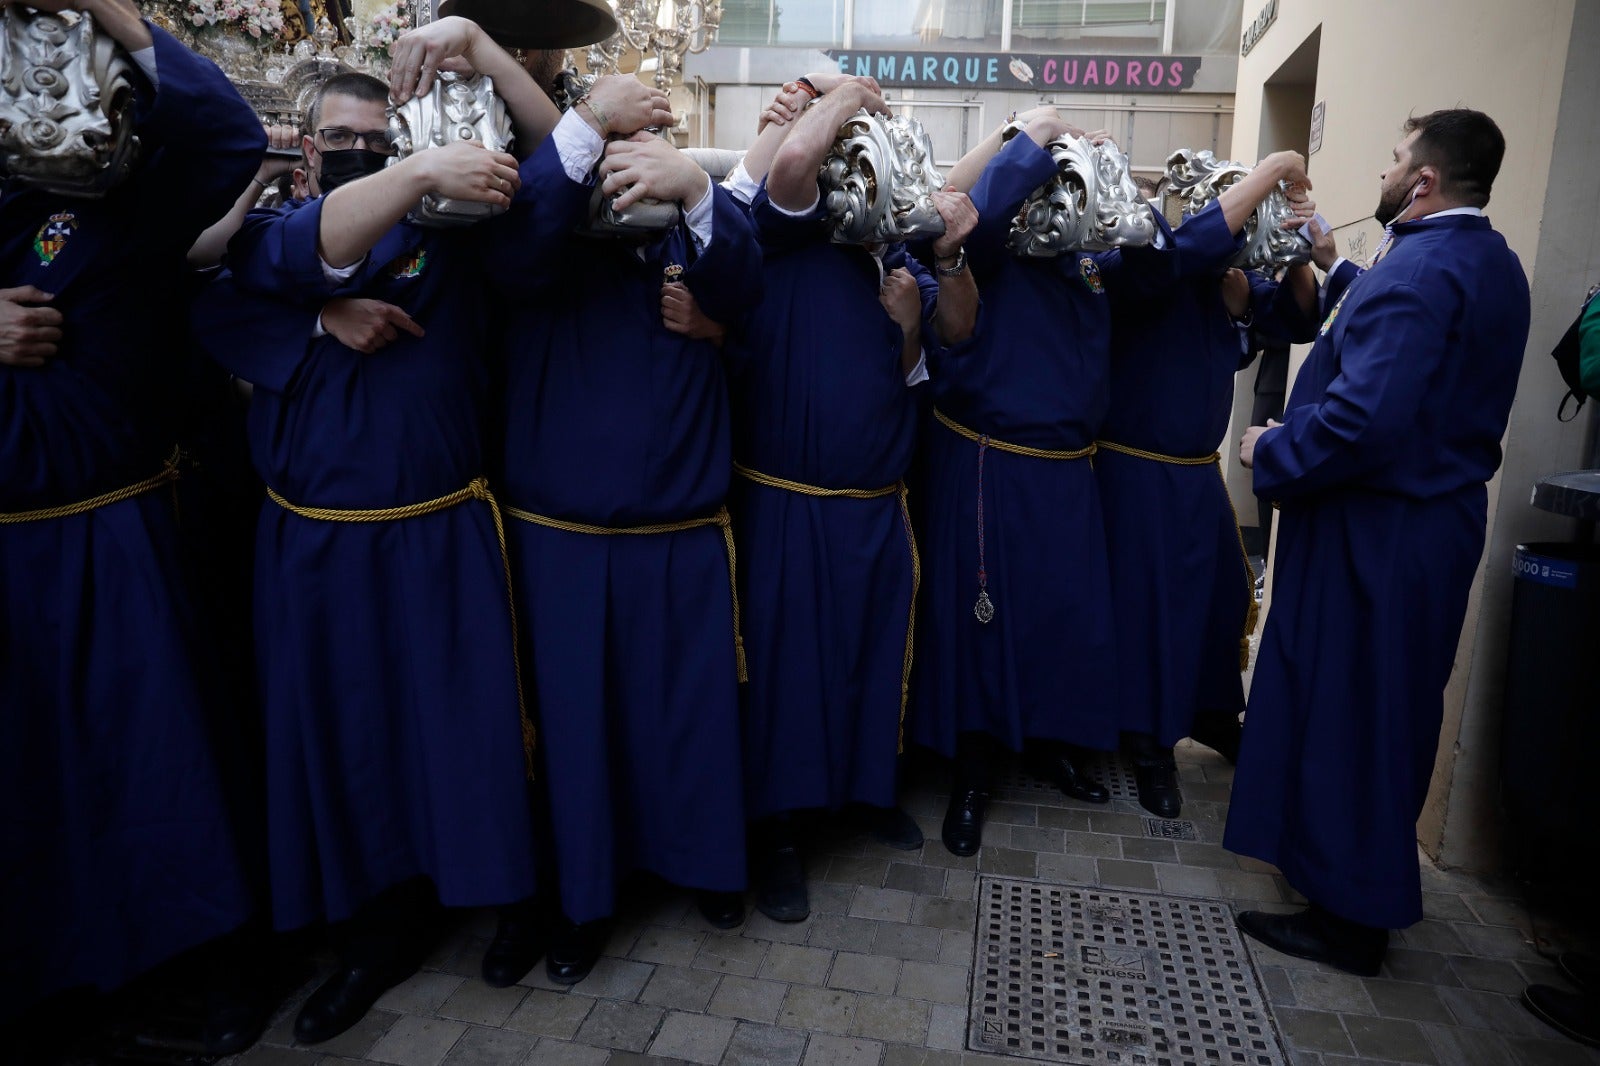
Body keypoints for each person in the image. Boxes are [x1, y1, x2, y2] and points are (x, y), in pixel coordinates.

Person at [190, 17, 561, 1042]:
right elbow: (245, 288)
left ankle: (508, 897)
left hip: (439, 535)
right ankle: (373, 931)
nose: (362, 150)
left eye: (378, 138)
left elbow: (554, 179)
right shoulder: (273, 242)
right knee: (348, 743)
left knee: (468, 732)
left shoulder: (448, 236)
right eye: (342, 140)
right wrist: (319, 321)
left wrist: (483, 57)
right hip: (313, 545)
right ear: (309, 152)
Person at [1, 0, 265, 1047]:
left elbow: (228, 133)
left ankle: (198, 980)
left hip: (103, 534)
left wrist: (105, 4)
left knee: (152, 774)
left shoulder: (123, 203)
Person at [1227, 109, 1531, 976]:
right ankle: (1352, 877)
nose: (1389, 172)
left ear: (1425, 182)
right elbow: (1407, 336)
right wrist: (1334, 262)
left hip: (1379, 530)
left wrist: (1271, 447)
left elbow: (1363, 421)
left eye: (1399, 161)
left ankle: (1351, 917)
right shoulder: (1486, 259)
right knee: (1388, 704)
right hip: (1429, 524)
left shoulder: (1422, 274)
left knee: (1353, 706)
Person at [486, 75, 763, 985]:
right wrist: (586, 127)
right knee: (577, 736)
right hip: (561, 535)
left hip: (682, 530)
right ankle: (583, 900)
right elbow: (516, 249)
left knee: (685, 719)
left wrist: (691, 187)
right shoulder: (546, 230)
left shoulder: (689, 213)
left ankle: (705, 863)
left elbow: (746, 285)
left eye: (648, 148)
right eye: (616, 152)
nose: (626, 173)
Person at [723, 74, 979, 921]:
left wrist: (934, 278)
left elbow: (960, 330)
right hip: (788, 498)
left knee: (872, 658)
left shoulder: (892, 254)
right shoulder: (777, 228)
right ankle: (779, 835)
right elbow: (793, 163)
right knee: (788, 672)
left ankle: (866, 794)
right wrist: (846, 96)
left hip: (878, 498)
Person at [912, 111, 1171, 855]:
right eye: (1051, 175)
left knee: (1063, 617)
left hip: (1069, 470)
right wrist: (1038, 131)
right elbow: (961, 222)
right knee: (980, 620)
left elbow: (1159, 270)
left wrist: (1120, 180)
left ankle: (1050, 742)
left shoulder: (1092, 257)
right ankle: (972, 769)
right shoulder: (991, 245)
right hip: (990, 458)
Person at [1097, 155, 1317, 815]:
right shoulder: (1139, 263)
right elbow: (1187, 251)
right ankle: (1150, 742)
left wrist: (1293, 243)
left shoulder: (1230, 280)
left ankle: (1216, 713)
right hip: (1131, 469)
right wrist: (1276, 166)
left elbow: (1299, 318)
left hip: (1196, 474)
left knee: (1219, 602)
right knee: (1147, 613)